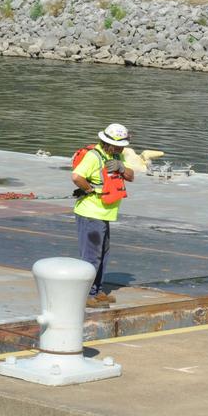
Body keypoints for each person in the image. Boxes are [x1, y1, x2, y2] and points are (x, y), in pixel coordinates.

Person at [72, 123, 135, 309]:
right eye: (117, 146)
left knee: (103, 254)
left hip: (105, 212)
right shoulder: (94, 156)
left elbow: (131, 176)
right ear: (107, 143)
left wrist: (121, 167)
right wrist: (89, 189)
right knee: (91, 256)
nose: (120, 149)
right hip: (91, 212)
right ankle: (86, 294)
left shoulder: (117, 156)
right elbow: (76, 177)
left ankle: (98, 290)